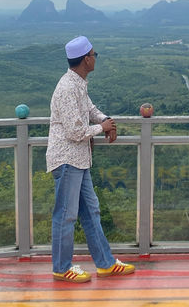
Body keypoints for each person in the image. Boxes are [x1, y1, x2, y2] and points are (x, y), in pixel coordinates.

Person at [46, 35, 135, 283]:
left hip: (79, 160)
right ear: (86, 59)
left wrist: (107, 121)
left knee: (90, 211)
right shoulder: (66, 88)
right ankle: (61, 268)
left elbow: (90, 109)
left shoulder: (78, 83)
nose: (96, 58)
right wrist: (101, 128)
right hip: (66, 160)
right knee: (65, 215)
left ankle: (105, 264)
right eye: (94, 55)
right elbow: (74, 131)